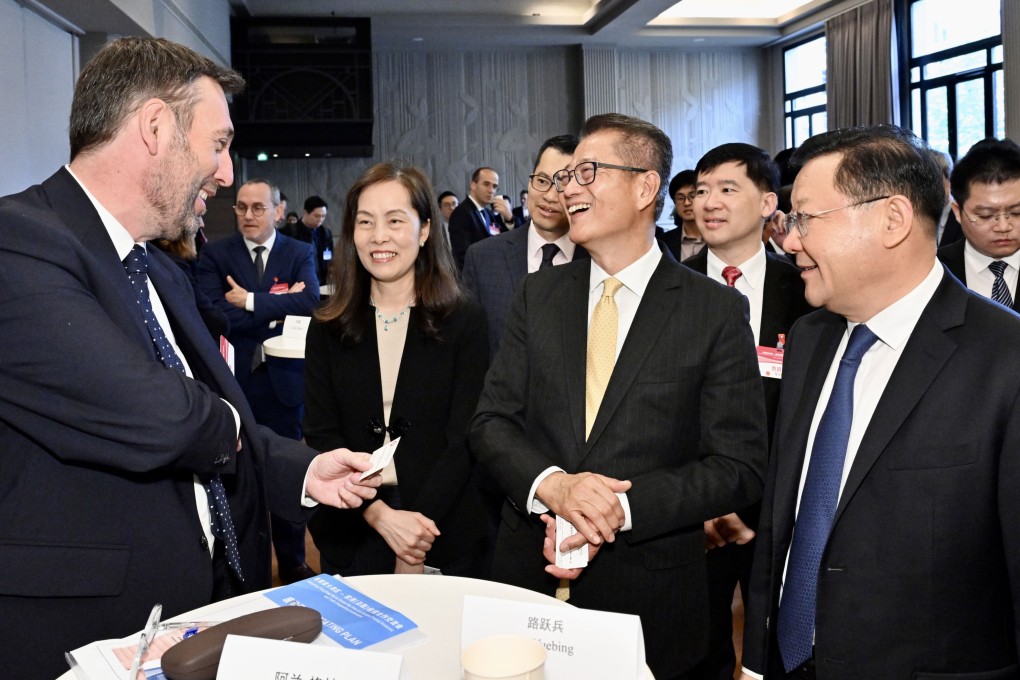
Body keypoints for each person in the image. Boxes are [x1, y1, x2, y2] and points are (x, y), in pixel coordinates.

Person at [0, 37, 381, 680]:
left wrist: (302, 470)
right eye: (218, 143)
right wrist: (234, 426)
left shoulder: (161, 272)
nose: (228, 173)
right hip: (81, 635)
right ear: (155, 127)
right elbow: (163, 417)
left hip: (195, 619)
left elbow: (216, 415)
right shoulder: (19, 242)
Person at [471, 113, 767, 680]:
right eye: (564, 177)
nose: (569, 187)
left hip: (647, 588)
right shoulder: (539, 295)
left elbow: (738, 467)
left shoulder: (713, 311)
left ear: (644, 186)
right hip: (528, 579)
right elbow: (491, 423)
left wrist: (619, 508)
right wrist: (553, 486)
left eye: (587, 172)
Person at [740, 125, 1020, 680]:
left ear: (892, 220)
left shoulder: (1004, 360)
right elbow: (784, 520)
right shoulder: (811, 338)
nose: (789, 241)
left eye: (805, 219)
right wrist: (755, 659)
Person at [304, 162, 490, 578]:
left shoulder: (465, 321)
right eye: (365, 221)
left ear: (424, 230)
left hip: (443, 524)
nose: (379, 236)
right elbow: (320, 434)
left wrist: (414, 533)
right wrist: (379, 515)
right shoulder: (327, 328)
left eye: (394, 220)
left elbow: (465, 438)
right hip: (353, 522)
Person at [681, 142, 813, 680]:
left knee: (777, 647)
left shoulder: (806, 288)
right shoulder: (668, 287)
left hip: (781, 511)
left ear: (767, 203)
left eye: (727, 189)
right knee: (699, 648)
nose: (708, 202)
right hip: (694, 513)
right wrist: (706, 500)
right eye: (701, 191)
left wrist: (761, 503)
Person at [196, 178, 321, 584]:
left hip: (284, 384)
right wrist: (275, 309)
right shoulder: (216, 254)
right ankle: (246, 566)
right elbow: (216, 316)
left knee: (287, 471)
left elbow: (308, 302)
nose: (248, 215)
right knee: (240, 480)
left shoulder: (299, 251)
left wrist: (248, 301)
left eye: (258, 208)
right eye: (241, 208)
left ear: (278, 211)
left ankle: (293, 559)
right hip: (235, 385)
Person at [462, 134, 588, 356]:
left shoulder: (598, 260)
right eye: (541, 181)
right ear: (530, 182)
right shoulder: (483, 258)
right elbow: (469, 351)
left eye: (562, 184)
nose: (549, 196)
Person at [937, 137, 1020, 312]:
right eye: (986, 215)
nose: (1003, 227)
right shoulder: (934, 270)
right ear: (958, 212)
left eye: (1016, 213)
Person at [154, 214, 229, 340]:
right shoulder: (175, 267)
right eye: (197, 216)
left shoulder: (181, 261)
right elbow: (216, 322)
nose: (202, 224)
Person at [448, 166, 513, 268]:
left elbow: (503, 241)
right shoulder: (461, 213)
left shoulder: (488, 213)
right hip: (474, 279)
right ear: (473, 185)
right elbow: (463, 256)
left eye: (495, 186)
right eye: (486, 184)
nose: (491, 190)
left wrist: (509, 218)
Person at [282, 195, 334, 283]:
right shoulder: (290, 232)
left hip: (322, 281)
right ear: (305, 213)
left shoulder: (325, 233)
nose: (320, 220)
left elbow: (329, 256)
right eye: (316, 216)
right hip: (300, 282)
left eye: (323, 216)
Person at [660, 169, 705, 261]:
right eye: (680, 198)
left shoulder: (720, 237)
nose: (687, 203)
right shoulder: (663, 243)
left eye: (692, 196)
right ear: (674, 202)